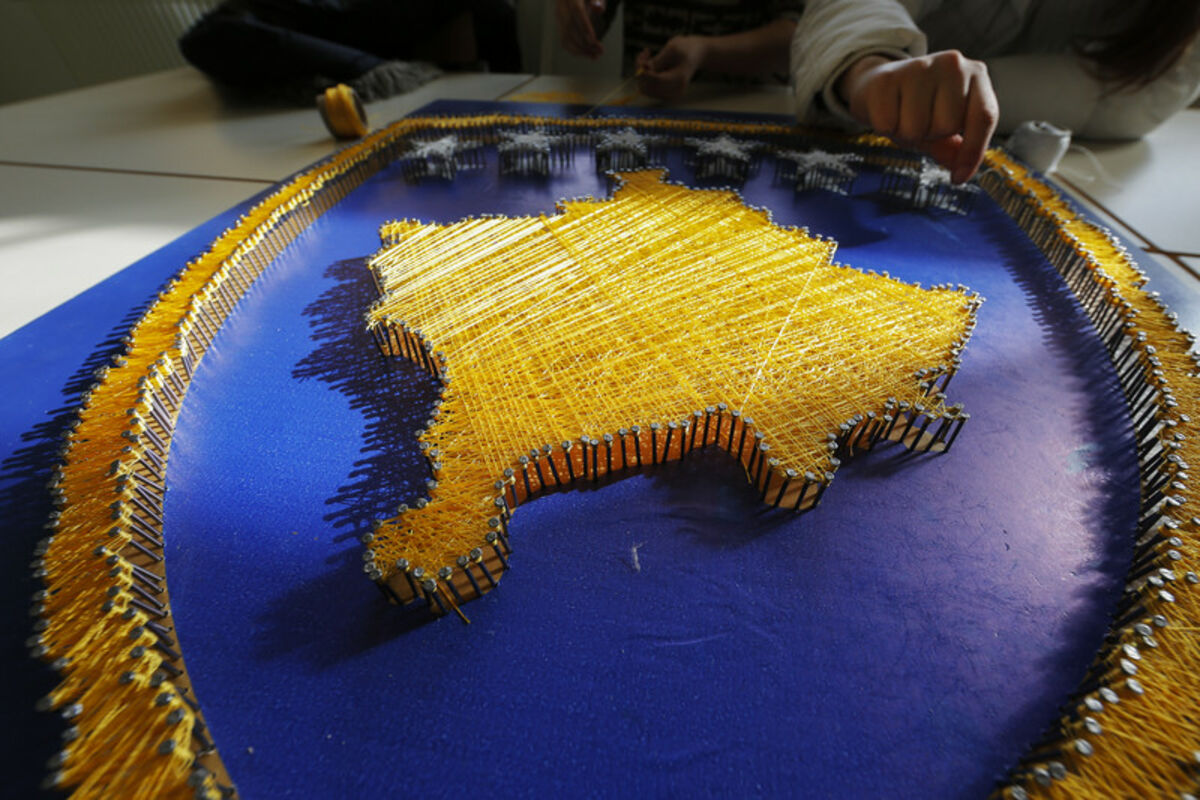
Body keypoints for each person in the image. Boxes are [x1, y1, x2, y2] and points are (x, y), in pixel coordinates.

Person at [559, 0, 1200, 183]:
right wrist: (867, 69)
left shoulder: (1169, 51)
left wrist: (887, 78)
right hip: (849, 125)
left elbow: (1141, 91)